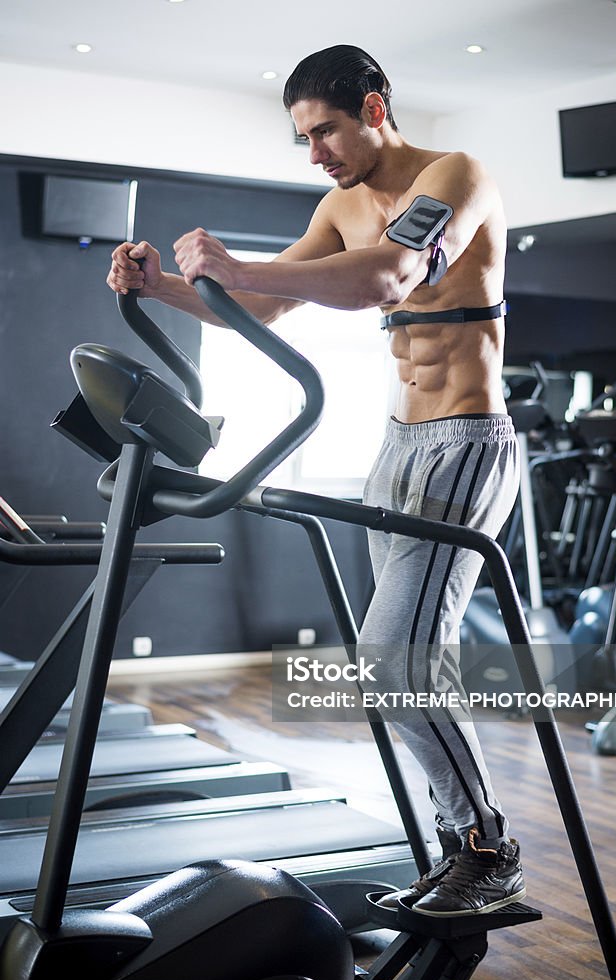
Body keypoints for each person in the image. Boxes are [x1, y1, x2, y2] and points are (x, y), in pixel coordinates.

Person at [107, 44, 524, 917]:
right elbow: (260, 306)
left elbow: (391, 276)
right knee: (408, 661)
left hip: (467, 445)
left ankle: (488, 847)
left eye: (325, 130)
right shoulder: (340, 203)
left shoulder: (455, 173)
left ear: (374, 109)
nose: (316, 153)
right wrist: (165, 288)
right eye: (304, 138)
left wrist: (239, 266)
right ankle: (463, 842)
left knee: (390, 662)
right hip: (398, 448)